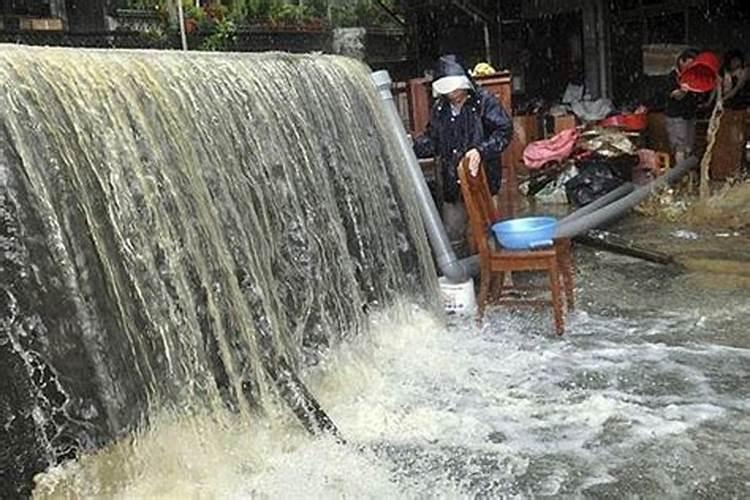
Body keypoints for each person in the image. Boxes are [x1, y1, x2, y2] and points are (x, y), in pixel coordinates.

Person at [414, 54, 513, 256]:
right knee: (453, 233)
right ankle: (463, 277)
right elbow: (433, 140)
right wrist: (412, 145)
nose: (453, 93)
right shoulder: (440, 109)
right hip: (452, 179)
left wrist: (481, 150)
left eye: (455, 87)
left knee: (489, 228)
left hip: (482, 178)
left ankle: (501, 276)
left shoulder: (484, 102)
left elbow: (504, 131)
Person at [665, 48, 702, 164]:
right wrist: (683, 90)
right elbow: (676, 95)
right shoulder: (672, 76)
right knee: (679, 147)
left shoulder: (692, 76)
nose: (691, 67)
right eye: (689, 64)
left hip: (689, 115)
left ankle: (688, 175)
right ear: (681, 61)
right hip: (676, 116)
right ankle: (680, 175)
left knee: (689, 146)